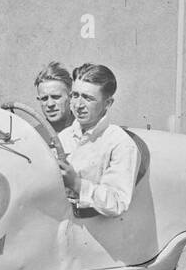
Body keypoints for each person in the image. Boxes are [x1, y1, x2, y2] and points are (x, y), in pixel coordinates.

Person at [57, 63, 138, 218]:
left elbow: (117, 203)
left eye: (88, 98)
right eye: (75, 95)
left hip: (96, 234)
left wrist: (77, 184)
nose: (78, 105)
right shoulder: (64, 137)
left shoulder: (120, 143)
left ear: (108, 103)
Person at [33, 61, 73, 133]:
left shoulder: (89, 130)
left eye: (56, 97)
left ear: (70, 97)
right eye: (44, 98)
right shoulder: (35, 136)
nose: (50, 104)